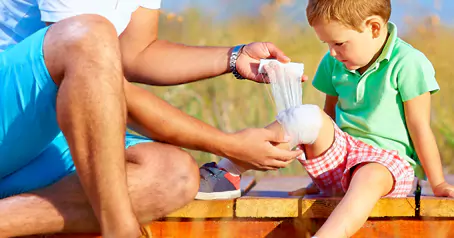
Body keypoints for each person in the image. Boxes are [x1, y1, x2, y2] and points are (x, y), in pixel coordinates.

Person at [0, 0, 304, 237]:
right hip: (10, 123)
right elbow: (91, 70)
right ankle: (121, 232)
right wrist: (227, 145)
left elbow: (137, 52)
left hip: (39, 140)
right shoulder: (84, 40)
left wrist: (234, 58)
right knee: (90, 34)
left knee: (174, 175)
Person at [196, 0, 454, 237]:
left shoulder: (409, 63)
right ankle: (227, 170)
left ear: (374, 28)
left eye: (338, 43)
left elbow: (420, 127)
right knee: (306, 115)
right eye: (327, 44)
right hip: (342, 159)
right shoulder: (335, 62)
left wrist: (438, 182)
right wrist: (318, 171)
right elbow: (326, 120)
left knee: (369, 176)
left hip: (387, 166)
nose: (331, 52)